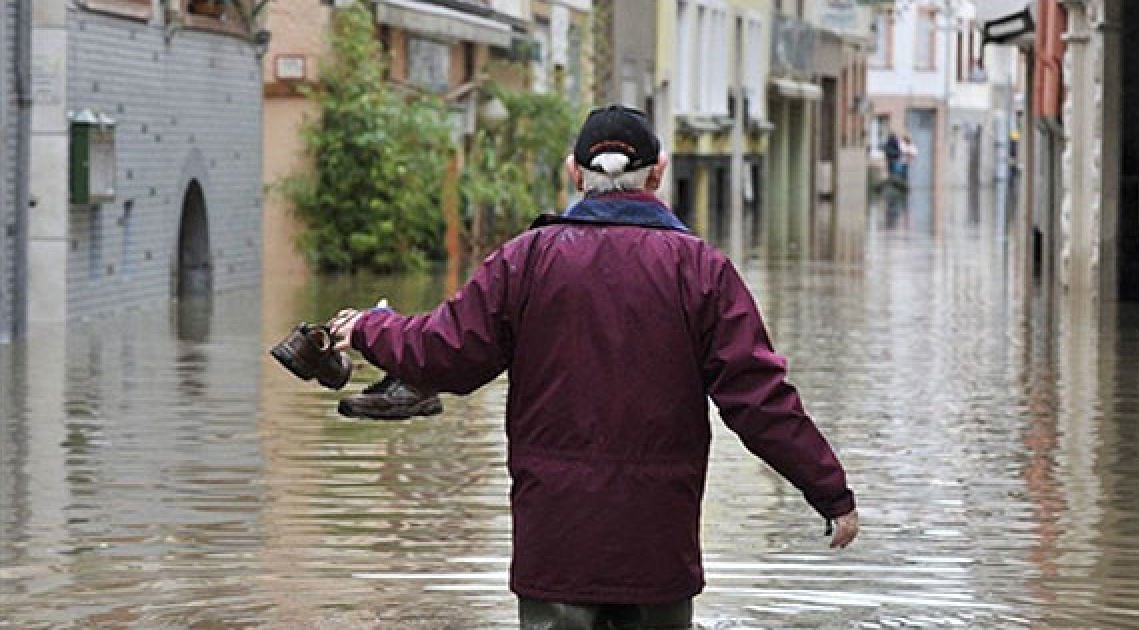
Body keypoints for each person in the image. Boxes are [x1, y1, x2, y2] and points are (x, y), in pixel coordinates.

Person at [328, 104, 859, 629]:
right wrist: (829, 492)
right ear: (659, 172)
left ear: (574, 172)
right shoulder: (703, 271)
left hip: (556, 547)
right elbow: (760, 402)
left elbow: (446, 351)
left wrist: (371, 328)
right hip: (658, 552)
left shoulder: (525, 261)